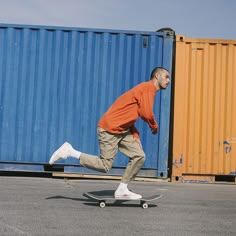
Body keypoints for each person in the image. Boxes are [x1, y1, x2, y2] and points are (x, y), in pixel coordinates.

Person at [49, 67, 170, 200]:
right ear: (157, 76)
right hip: (109, 129)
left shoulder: (145, 90)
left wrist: (135, 134)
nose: (168, 80)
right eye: (166, 77)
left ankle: (122, 189)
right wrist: (154, 126)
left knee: (139, 155)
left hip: (123, 130)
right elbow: (145, 113)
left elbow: (130, 113)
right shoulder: (147, 88)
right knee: (105, 165)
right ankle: (70, 152)